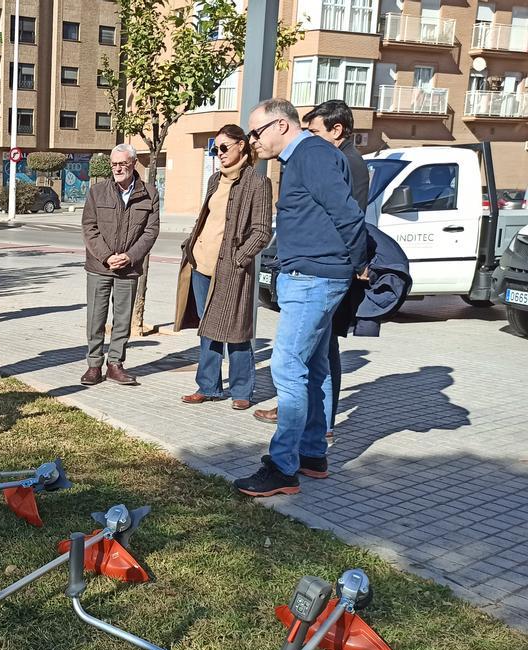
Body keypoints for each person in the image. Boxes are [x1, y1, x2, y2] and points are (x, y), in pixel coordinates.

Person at [233, 98, 366, 498]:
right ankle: (311, 455)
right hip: (312, 275)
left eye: (256, 133)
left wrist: (356, 263)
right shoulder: (307, 157)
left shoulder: (311, 155)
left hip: (313, 278)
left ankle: (282, 467)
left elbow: (348, 214)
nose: (253, 142)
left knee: (288, 368)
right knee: (315, 365)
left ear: (280, 126)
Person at [174, 125, 272, 408]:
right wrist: (189, 247)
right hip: (201, 265)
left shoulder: (257, 183)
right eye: (215, 149)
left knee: (235, 328)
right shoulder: (215, 181)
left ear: (242, 145)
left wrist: (240, 259)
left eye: (224, 147)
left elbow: (262, 231)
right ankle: (208, 386)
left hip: (231, 269)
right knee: (208, 327)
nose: (219, 154)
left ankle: (242, 391)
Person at [80, 143, 160, 386]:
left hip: (129, 268)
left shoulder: (150, 193)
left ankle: (115, 364)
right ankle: (94, 365)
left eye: (122, 164)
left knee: (122, 319)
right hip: (99, 267)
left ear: (134, 164)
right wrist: (106, 256)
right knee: (96, 317)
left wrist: (130, 256)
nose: (117, 168)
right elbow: (89, 227)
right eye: (114, 164)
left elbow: (151, 230)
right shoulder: (97, 191)